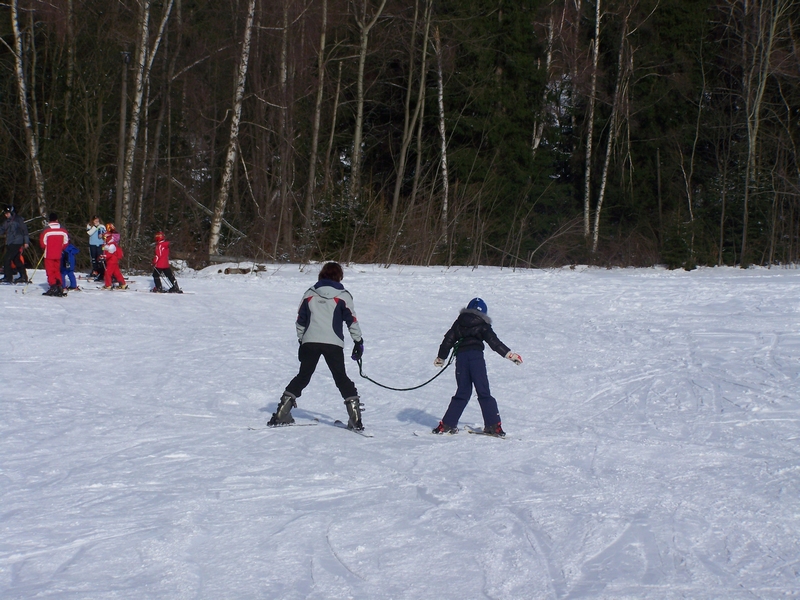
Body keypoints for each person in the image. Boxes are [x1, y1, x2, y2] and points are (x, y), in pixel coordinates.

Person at [269, 262, 365, 430]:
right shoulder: (343, 295)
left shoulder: (309, 293)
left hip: (310, 342)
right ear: (339, 276)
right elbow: (352, 320)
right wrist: (358, 341)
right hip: (333, 343)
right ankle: (355, 417)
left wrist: (302, 339)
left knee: (303, 376)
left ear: (321, 274)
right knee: (341, 378)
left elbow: (300, 320)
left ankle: (281, 413)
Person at [432, 297, 523, 437]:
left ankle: (447, 425)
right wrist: (510, 355)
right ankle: (493, 426)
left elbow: (447, 341)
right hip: (476, 359)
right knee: (483, 391)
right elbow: (494, 342)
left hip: (461, 359)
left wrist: (441, 357)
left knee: (462, 392)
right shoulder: (483, 324)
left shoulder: (459, 323)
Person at [39, 212, 69, 296]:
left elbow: (42, 243)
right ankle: (59, 285)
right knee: (57, 269)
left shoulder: (46, 230)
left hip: (49, 253)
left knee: (50, 270)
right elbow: (66, 242)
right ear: (57, 220)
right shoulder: (63, 229)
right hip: (58, 253)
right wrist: (60, 248)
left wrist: (47, 247)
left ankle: (53, 285)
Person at [0, 205, 30, 284]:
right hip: (10, 242)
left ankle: (8, 277)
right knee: (16, 260)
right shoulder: (7, 221)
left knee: (7, 258)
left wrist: (26, 242)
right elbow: (2, 229)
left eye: (7, 213)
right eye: (5, 213)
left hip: (17, 242)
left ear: (11, 212)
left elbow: (25, 231)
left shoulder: (18, 220)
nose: (6, 215)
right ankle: (23, 276)